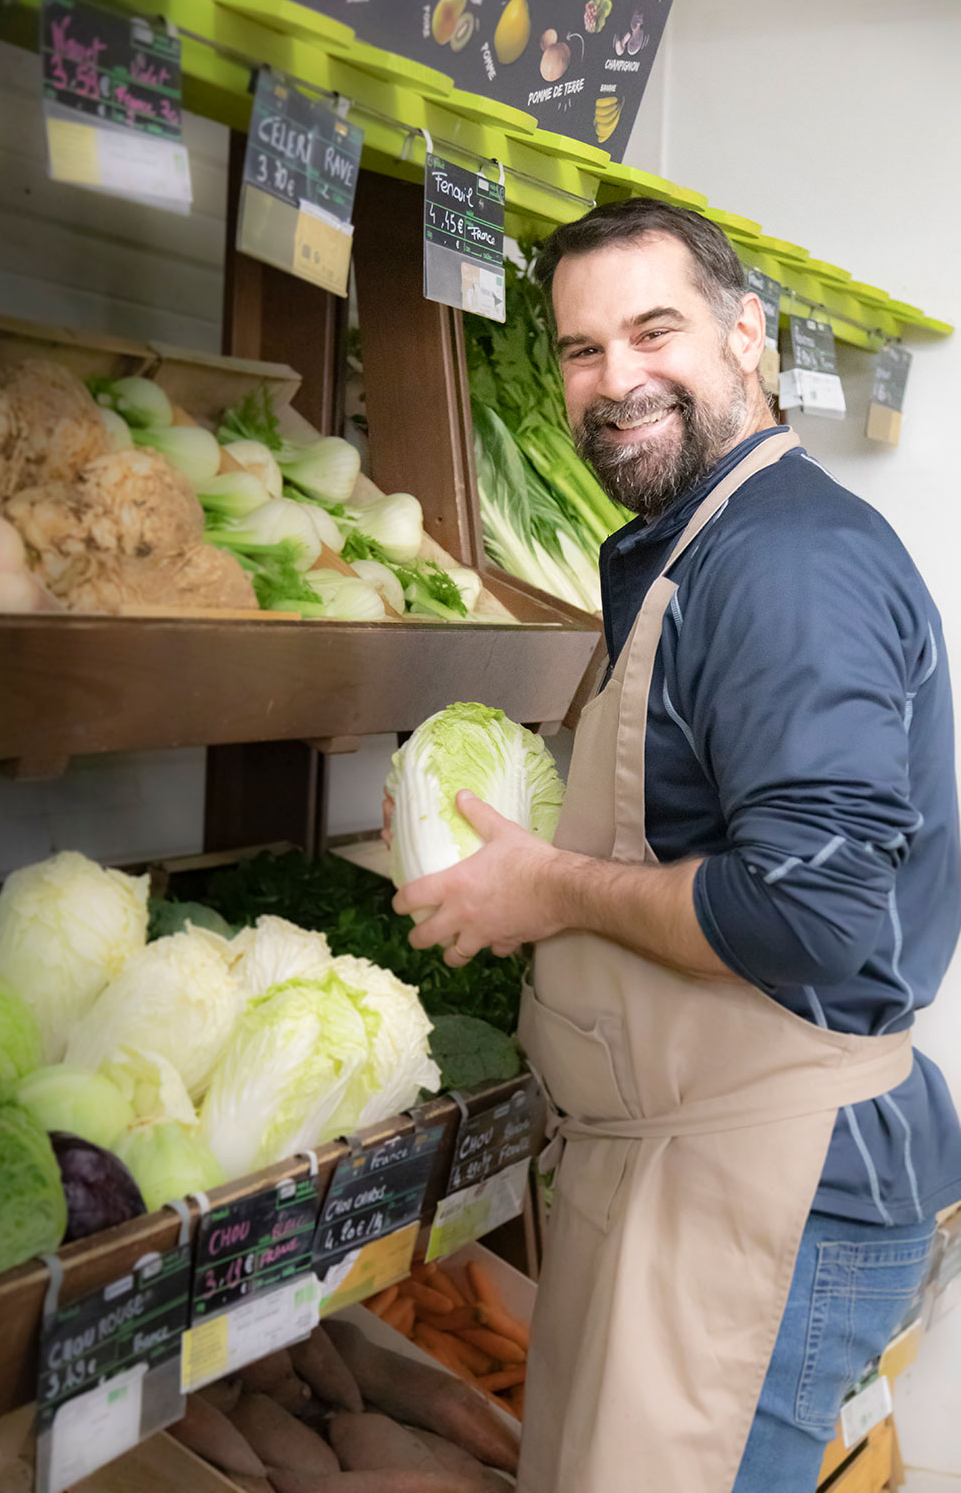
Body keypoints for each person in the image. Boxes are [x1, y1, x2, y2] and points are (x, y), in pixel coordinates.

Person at [389, 199, 961, 1493]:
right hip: (684, 1166)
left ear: (747, 335)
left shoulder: (783, 567)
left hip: (763, 1185)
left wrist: (546, 887)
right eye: (583, 350)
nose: (616, 380)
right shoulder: (701, 541)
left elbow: (811, 915)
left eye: (656, 331)